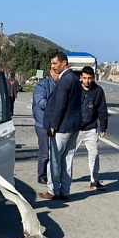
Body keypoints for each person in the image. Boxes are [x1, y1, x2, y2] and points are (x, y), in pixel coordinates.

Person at [39, 52, 82, 201]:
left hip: (62, 127)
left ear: (64, 63)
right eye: (52, 64)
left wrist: (53, 125)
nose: (53, 66)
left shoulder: (65, 80)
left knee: (55, 160)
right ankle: (65, 191)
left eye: (55, 63)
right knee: (67, 160)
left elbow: (60, 105)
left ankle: (53, 190)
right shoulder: (75, 78)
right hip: (73, 126)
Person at [75, 66, 109, 191]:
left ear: (93, 78)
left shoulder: (98, 91)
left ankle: (94, 181)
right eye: (84, 78)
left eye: (89, 78)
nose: (87, 80)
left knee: (94, 155)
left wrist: (103, 126)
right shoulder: (75, 88)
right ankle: (64, 180)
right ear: (81, 78)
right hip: (75, 129)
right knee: (68, 155)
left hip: (91, 129)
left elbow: (102, 109)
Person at [32, 69, 59, 184]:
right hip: (43, 124)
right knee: (44, 152)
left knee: (56, 152)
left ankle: (53, 174)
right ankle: (42, 175)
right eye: (58, 73)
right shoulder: (42, 86)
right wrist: (59, 105)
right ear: (51, 73)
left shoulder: (61, 86)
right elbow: (41, 102)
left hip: (57, 124)